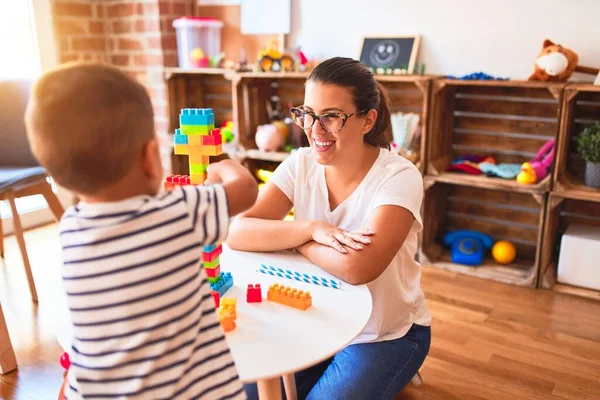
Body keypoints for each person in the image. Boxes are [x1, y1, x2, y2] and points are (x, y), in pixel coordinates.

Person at [25, 62, 257, 399]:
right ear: (151, 158)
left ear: (59, 178)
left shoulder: (70, 232)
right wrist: (225, 165)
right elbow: (246, 191)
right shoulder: (180, 211)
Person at [226, 57, 431, 399]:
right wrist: (311, 227)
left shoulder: (400, 176)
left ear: (368, 120)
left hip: (383, 335)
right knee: (245, 392)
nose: (314, 129)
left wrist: (299, 240)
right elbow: (238, 232)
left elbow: (357, 266)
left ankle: (399, 369)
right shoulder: (300, 163)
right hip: (318, 318)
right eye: (308, 113)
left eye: (331, 116)